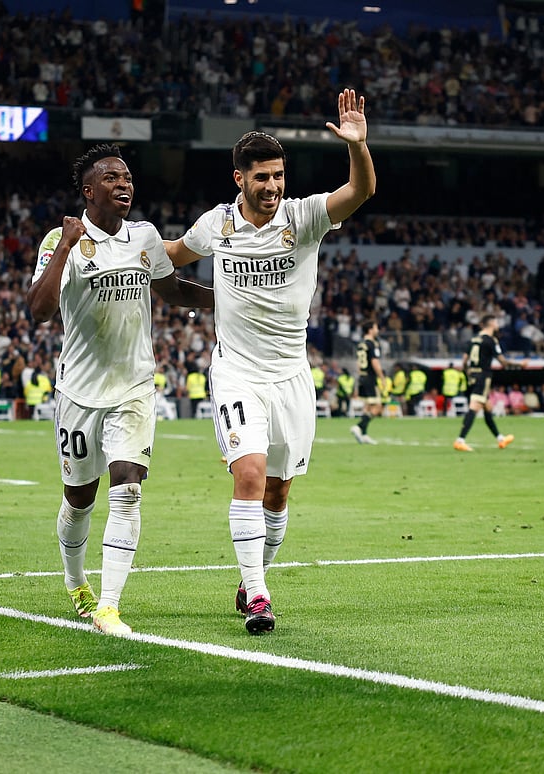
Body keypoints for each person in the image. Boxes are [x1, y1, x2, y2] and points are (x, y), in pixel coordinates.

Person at [162, 89, 376, 634]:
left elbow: (361, 190)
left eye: (279, 175)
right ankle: (258, 594)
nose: (273, 186)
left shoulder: (303, 218)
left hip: (291, 377)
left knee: (279, 492)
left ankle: (252, 574)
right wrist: (117, 247)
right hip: (237, 372)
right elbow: (174, 254)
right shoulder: (217, 225)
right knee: (250, 475)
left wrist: (357, 147)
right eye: (262, 177)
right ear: (240, 179)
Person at [26, 143, 214, 637]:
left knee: (128, 488)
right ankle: (76, 584)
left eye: (127, 177)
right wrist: (67, 244)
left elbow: (171, 290)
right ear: (88, 192)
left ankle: (109, 606)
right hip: (79, 393)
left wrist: (231, 299)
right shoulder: (58, 240)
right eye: (111, 178)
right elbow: (39, 310)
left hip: (133, 387)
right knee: (79, 498)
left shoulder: (144, 237)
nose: (124, 184)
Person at [453, 314, 521, 452]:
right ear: (491, 324)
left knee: (487, 407)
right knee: (474, 406)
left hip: (472, 375)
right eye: (496, 322)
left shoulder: (473, 339)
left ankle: (500, 439)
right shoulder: (491, 340)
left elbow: (464, 361)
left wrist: (468, 373)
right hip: (483, 376)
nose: (497, 324)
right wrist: (521, 365)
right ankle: (460, 440)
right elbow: (503, 362)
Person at [351, 319, 385, 444]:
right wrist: (381, 377)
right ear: (370, 330)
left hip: (362, 377)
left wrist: (360, 377)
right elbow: (374, 362)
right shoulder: (372, 344)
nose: (378, 330)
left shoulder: (360, 344)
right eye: (376, 327)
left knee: (368, 406)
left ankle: (364, 434)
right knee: (378, 407)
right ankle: (359, 426)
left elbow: (358, 363)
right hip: (370, 378)